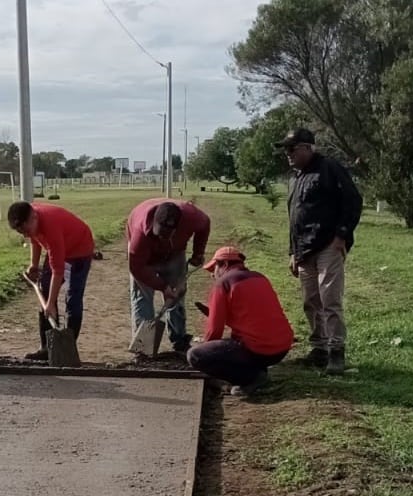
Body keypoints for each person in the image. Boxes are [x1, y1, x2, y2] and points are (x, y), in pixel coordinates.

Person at [276, 127, 363, 375]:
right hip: (303, 249)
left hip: (328, 245)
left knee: (329, 299)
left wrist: (341, 236)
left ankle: (336, 352)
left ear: (307, 147)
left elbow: (353, 200)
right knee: (310, 301)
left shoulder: (329, 168)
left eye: (292, 149)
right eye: (286, 150)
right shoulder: (296, 177)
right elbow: (294, 218)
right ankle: (319, 349)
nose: (288, 154)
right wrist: (292, 251)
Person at [186, 246, 294, 396]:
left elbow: (214, 331)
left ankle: (251, 378)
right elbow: (254, 316)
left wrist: (207, 351)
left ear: (223, 265)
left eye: (214, 269)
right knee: (234, 342)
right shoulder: (259, 277)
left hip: (259, 350)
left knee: (195, 355)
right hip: (282, 348)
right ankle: (256, 369)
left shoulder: (223, 283)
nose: (213, 275)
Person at [8, 200, 95, 361]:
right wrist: (33, 265)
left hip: (80, 249)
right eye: (22, 233)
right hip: (61, 246)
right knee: (44, 289)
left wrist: (51, 303)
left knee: (73, 298)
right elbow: (34, 239)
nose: (26, 235)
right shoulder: (32, 221)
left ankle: (66, 349)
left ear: (33, 218)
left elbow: (58, 271)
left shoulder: (51, 228)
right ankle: (47, 348)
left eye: (26, 230)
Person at [126, 199, 210, 354]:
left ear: (177, 227)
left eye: (166, 234)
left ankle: (179, 341)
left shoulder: (191, 217)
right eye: (159, 233)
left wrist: (198, 252)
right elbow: (137, 268)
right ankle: (143, 348)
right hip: (145, 257)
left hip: (175, 253)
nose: (162, 238)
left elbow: (205, 225)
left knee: (177, 295)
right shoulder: (140, 234)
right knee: (142, 297)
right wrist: (163, 287)